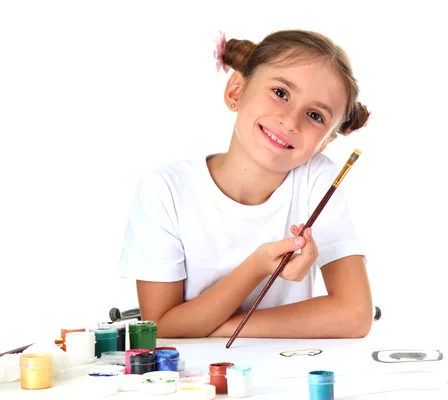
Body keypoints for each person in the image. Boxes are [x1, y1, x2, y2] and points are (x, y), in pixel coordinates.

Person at [117, 29, 373, 339]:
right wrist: (256, 266)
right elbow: (161, 326)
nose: (291, 121)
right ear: (236, 90)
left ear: (325, 143)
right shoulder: (164, 190)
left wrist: (216, 327)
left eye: (315, 115)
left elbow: (355, 315)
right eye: (280, 93)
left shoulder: (317, 179)